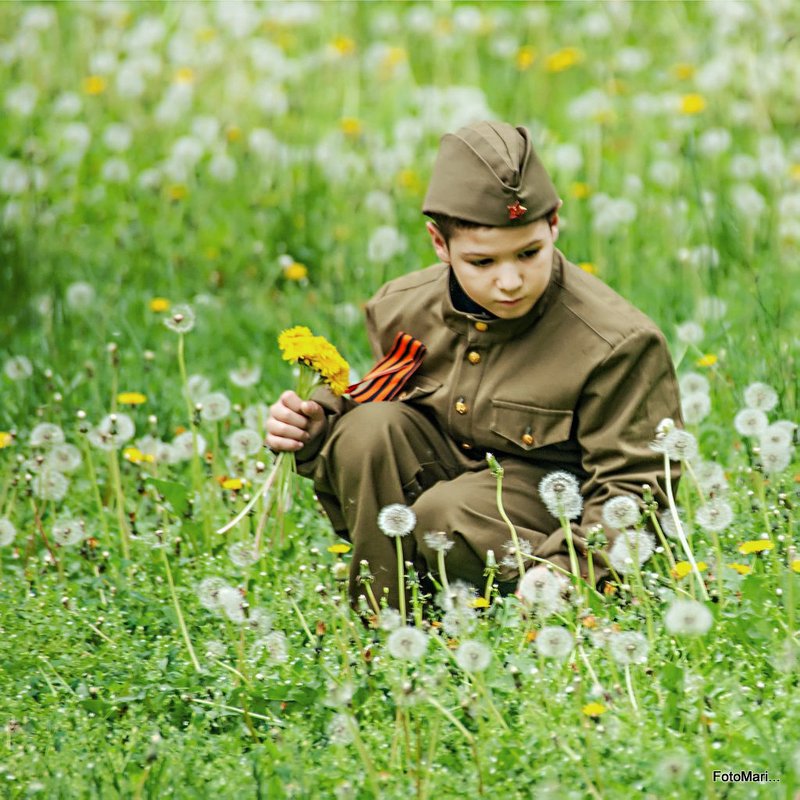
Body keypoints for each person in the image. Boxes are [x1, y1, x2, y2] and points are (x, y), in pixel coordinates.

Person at [266, 120, 681, 612]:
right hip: (454, 492)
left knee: (446, 513)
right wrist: (318, 426)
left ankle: (521, 610)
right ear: (439, 244)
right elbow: (385, 411)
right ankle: (385, 618)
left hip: (549, 518)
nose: (510, 281)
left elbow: (636, 489)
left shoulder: (616, 343)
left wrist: (572, 572)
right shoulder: (400, 308)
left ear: (554, 224)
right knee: (366, 432)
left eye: (529, 253)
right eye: (483, 262)